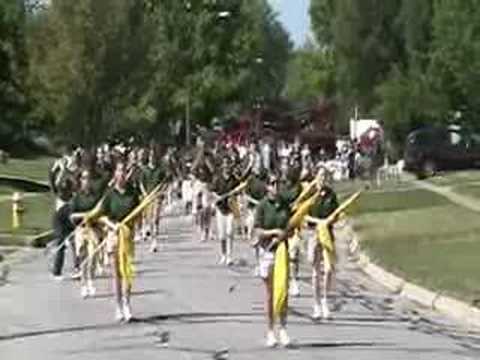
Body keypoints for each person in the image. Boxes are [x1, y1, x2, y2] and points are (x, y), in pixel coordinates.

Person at [253, 174, 291, 347]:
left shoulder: (284, 205)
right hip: (267, 251)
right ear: (267, 186)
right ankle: (270, 331)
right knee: (270, 294)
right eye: (273, 184)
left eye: (278, 183)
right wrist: (274, 232)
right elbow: (258, 231)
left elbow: (290, 226)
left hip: (282, 251)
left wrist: (284, 234)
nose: (276, 187)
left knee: (283, 290)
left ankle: (283, 329)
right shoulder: (262, 206)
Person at [100, 160, 140, 322]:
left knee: (127, 272)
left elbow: (138, 212)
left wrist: (132, 224)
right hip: (113, 235)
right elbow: (102, 215)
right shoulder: (110, 194)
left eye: (124, 171)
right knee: (116, 273)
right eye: (119, 171)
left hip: (128, 235)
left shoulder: (133, 193)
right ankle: (118, 306)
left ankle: (127, 304)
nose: (122, 174)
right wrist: (112, 225)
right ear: (115, 174)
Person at [305, 167, 339, 320]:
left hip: (327, 233)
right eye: (320, 176)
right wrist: (318, 222)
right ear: (315, 177)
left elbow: (336, 214)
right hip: (314, 233)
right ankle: (316, 303)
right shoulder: (310, 194)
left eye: (325, 176)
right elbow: (303, 215)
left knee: (329, 268)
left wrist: (329, 221)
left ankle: (325, 300)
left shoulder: (331, 195)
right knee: (315, 269)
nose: (322, 178)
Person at [70, 168, 104, 298]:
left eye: (88, 178)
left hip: (94, 229)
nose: (86, 181)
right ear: (80, 181)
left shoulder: (95, 197)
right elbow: (72, 216)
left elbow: (100, 212)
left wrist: (94, 217)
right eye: (84, 178)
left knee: (93, 256)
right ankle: (84, 284)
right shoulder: (77, 197)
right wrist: (85, 215)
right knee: (83, 256)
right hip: (81, 229)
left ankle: (90, 280)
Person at [211, 159, 237, 266]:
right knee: (222, 235)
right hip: (220, 209)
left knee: (230, 232)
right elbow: (213, 191)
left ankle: (230, 256)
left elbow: (238, 190)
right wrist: (218, 197)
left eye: (228, 166)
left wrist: (234, 195)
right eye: (225, 166)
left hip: (231, 209)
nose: (227, 168)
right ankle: (223, 254)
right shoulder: (218, 179)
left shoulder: (233, 179)